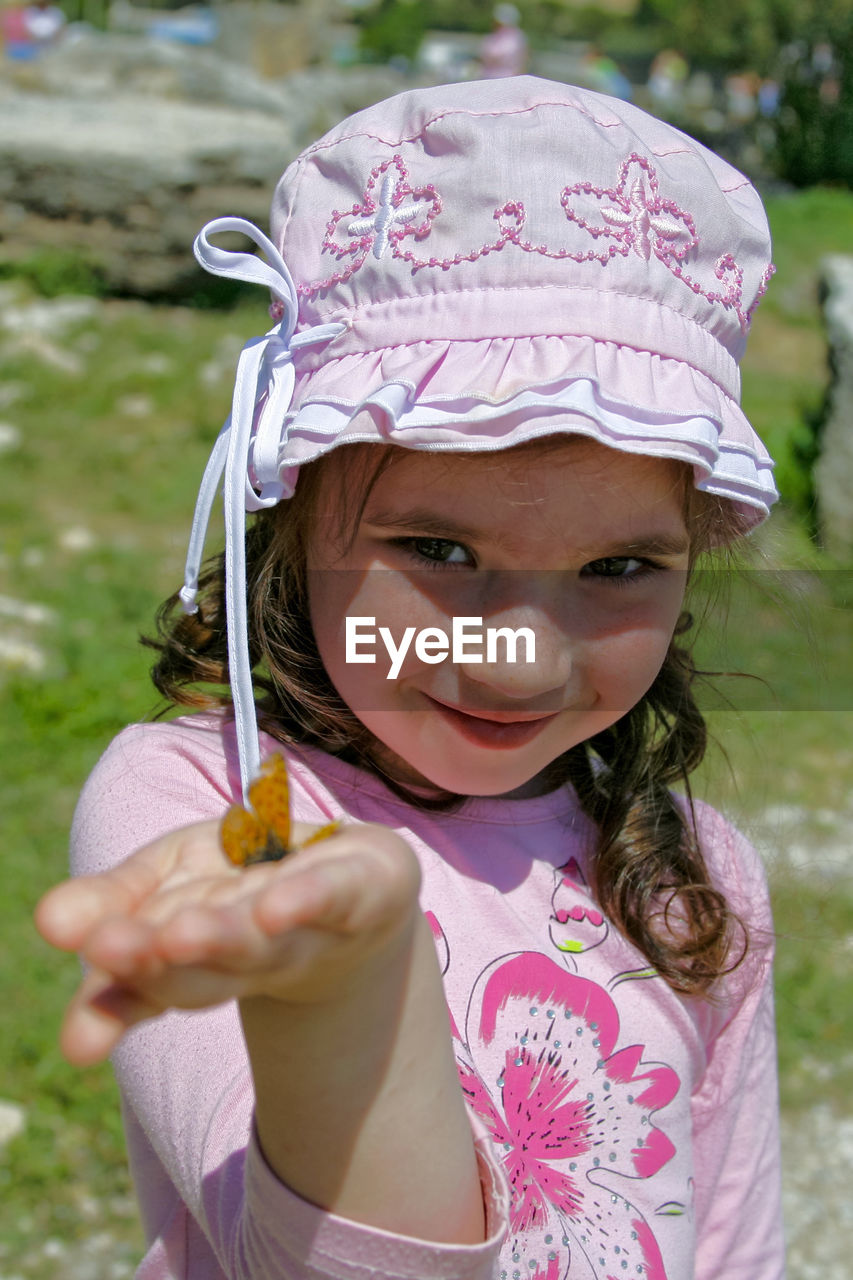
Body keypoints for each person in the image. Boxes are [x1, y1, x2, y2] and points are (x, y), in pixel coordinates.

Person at [36, 77, 784, 1279]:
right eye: (441, 551)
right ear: (290, 521)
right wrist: (350, 987)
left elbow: (737, 1246)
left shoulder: (699, 877)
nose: (526, 652)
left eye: (617, 566)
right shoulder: (214, 816)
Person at [479, 4, 527, 79]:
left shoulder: (516, 38)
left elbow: (503, 56)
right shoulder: (493, 37)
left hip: (508, 77)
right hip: (490, 77)